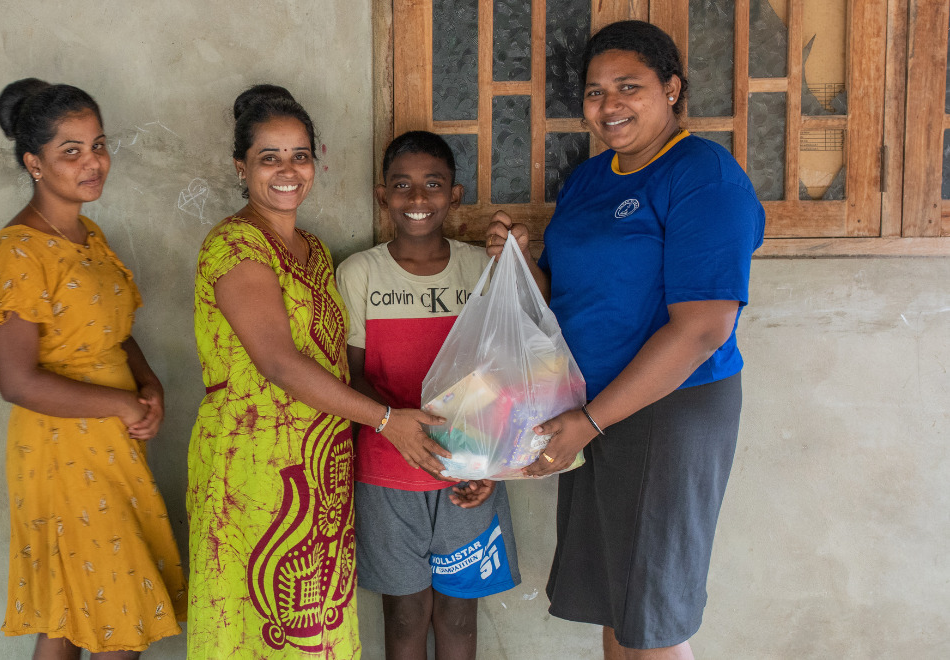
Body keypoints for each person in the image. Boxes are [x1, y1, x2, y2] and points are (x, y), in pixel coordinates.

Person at [487, 21, 765, 660]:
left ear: (672, 90)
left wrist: (586, 422)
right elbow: (574, 302)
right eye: (594, 91)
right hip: (594, 407)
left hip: (667, 411)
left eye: (629, 87)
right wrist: (521, 265)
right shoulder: (589, 181)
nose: (609, 105)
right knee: (620, 604)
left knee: (655, 618)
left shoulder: (703, 177)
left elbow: (701, 328)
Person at [186, 85, 446, 658]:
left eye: (299, 155)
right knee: (260, 627)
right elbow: (278, 363)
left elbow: (332, 356)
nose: (288, 171)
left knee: (315, 623)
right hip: (255, 469)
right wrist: (385, 420)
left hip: (320, 470)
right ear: (240, 167)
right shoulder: (234, 246)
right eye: (268, 157)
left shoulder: (312, 247)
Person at [0, 78, 186, 660]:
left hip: (108, 448)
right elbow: (16, 380)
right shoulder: (18, 252)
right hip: (60, 453)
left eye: (98, 145)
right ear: (34, 163)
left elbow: (113, 333)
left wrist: (148, 384)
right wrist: (121, 404)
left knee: (74, 617)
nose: (92, 162)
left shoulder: (87, 235)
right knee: (116, 622)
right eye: (70, 151)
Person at [336, 130, 522, 660]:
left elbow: (506, 370)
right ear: (382, 195)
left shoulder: (480, 270)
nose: (418, 199)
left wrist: (487, 461)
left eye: (433, 185)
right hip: (386, 471)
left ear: (455, 195)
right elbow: (349, 375)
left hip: (470, 469)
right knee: (405, 615)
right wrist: (395, 424)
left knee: (460, 616)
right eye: (403, 186)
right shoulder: (359, 273)